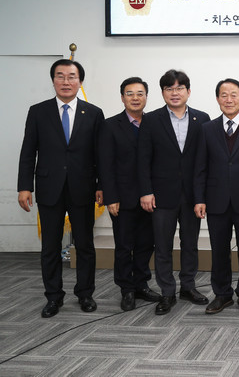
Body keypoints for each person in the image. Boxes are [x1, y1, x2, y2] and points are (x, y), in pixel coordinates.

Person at [18, 59, 105, 318]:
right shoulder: (38, 111)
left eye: (71, 76)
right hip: (49, 188)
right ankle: (53, 297)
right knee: (50, 247)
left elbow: (101, 154)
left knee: (85, 245)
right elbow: (28, 151)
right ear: (53, 80)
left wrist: (101, 185)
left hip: (83, 187)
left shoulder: (93, 113)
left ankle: (85, 293)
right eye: (60, 76)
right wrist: (24, 186)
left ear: (80, 81)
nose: (66, 81)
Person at [138, 69, 210, 315]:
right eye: (169, 88)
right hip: (161, 195)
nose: (175, 93)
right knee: (163, 246)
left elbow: (205, 161)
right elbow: (143, 159)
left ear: (188, 91)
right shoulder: (151, 120)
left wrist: (202, 196)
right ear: (163, 93)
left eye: (179, 88)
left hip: (192, 195)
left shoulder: (202, 119)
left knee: (190, 244)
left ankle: (188, 286)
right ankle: (167, 292)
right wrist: (146, 191)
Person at [194, 79, 239, 315]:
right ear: (217, 99)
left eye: (234, 95)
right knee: (219, 250)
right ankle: (222, 294)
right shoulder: (207, 129)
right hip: (216, 201)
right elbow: (200, 167)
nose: (229, 99)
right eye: (224, 95)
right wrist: (199, 198)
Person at [99, 77, 161, 311]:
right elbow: (105, 164)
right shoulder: (109, 125)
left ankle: (141, 284)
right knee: (124, 246)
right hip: (122, 198)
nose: (135, 98)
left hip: (150, 197)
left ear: (146, 97)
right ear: (122, 97)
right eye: (130, 93)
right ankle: (126, 289)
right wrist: (111, 197)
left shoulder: (154, 123)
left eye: (140, 93)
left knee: (146, 244)